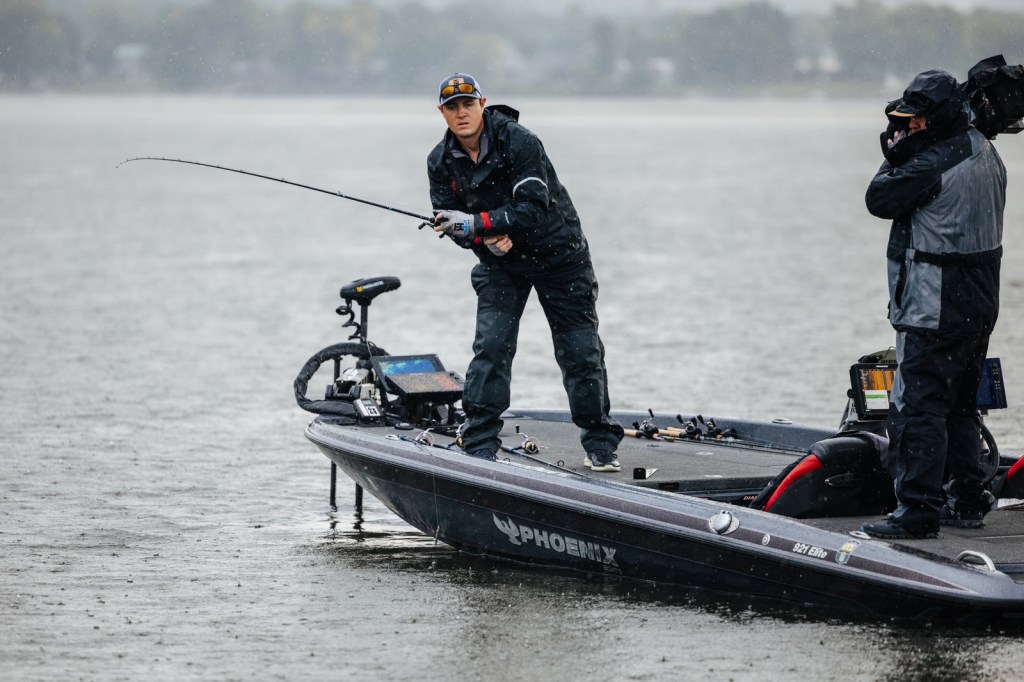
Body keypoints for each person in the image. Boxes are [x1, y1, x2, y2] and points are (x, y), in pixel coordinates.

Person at [427, 72, 624, 471]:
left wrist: (479, 224)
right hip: (502, 265)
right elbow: (450, 223)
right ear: (442, 113)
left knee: (580, 352)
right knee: (491, 348)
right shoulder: (439, 161)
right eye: (453, 107)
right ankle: (480, 441)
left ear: (483, 105)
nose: (462, 113)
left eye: (468, 104)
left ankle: (600, 443)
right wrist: (481, 240)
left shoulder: (520, 141)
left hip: (560, 257)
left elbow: (533, 207)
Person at [861, 69, 1007, 539]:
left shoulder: (931, 164)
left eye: (916, 120)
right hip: (978, 303)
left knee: (918, 408)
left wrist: (894, 154)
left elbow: (879, 199)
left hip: (933, 305)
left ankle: (917, 512)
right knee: (961, 406)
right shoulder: (983, 148)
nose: (910, 126)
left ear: (937, 118)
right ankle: (967, 498)